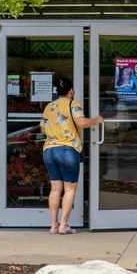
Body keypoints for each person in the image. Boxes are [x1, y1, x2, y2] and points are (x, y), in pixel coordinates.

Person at [39, 76, 103, 234]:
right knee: (69, 190)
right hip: (68, 149)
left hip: (49, 150)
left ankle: (53, 225)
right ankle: (63, 225)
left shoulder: (49, 106)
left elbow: (43, 129)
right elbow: (81, 123)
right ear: (71, 91)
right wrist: (96, 120)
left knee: (55, 189)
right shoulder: (73, 104)